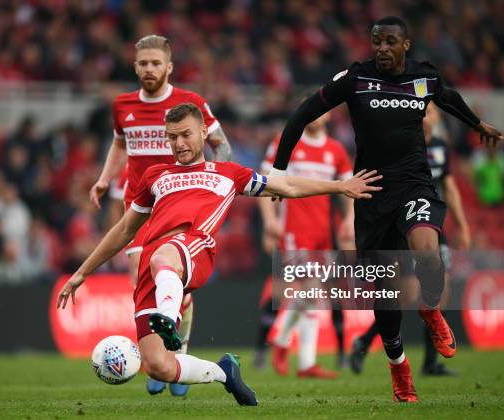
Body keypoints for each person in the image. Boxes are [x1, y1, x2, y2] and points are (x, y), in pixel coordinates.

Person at [57, 103, 381, 407]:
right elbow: (125, 230)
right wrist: (82, 272)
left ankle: (170, 319)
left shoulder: (228, 173)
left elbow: (287, 186)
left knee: (162, 257)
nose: (179, 143)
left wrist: (340, 186)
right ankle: (225, 372)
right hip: (155, 270)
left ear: (203, 133)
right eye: (172, 137)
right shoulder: (156, 175)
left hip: (193, 248)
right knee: (158, 366)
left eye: (185, 134)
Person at [268, 16, 503, 402]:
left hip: (413, 183)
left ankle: (430, 309)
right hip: (371, 191)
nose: (381, 48)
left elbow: (448, 98)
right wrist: (278, 172)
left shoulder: (423, 78)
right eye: (376, 41)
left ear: (405, 45)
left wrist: (478, 124)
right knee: (387, 293)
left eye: (390, 42)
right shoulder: (355, 79)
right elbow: (302, 114)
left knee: (428, 249)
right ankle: (399, 368)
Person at [88, 35, 232, 397]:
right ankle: (162, 357)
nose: (149, 69)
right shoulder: (122, 105)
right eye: (143, 63)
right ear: (135, 66)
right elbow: (120, 143)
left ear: (169, 66)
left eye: (156, 63)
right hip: (138, 205)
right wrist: (105, 179)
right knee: (141, 281)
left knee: (174, 282)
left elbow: (221, 143)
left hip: (179, 207)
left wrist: (213, 180)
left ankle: (176, 353)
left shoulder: (191, 103)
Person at [349, 102, 471, 376]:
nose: (426, 117)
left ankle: (430, 362)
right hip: (397, 222)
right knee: (402, 297)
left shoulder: (439, 147)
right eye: (424, 112)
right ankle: (365, 341)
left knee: (442, 290)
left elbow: (448, 186)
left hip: (427, 222)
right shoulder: (398, 144)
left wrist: (462, 225)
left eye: (432, 112)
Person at [255, 112, 353, 378]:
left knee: (312, 296)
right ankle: (286, 342)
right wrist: (269, 220)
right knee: (312, 289)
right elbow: (264, 181)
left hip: (324, 233)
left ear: (330, 116)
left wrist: (350, 219)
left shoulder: (336, 149)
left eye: (322, 111)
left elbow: (348, 188)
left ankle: (304, 360)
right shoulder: (285, 142)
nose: (316, 116)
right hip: (294, 231)